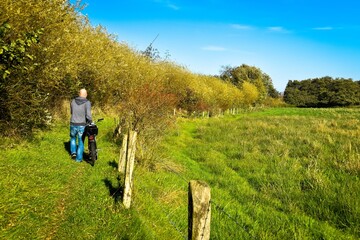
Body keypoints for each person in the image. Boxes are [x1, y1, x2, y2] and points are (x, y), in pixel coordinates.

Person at [70, 88, 92, 162]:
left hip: (73, 123)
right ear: (86, 95)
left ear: (79, 94)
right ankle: (78, 159)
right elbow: (88, 115)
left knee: (73, 138)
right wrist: (90, 121)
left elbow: (71, 112)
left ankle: (73, 153)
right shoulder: (87, 102)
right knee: (81, 141)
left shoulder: (73, 101)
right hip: (82, 124)